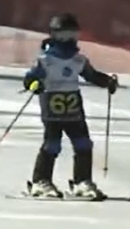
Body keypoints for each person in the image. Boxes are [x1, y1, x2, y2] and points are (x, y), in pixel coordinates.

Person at [22, 13, 119, 199]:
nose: (67, 41)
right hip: (52, 108)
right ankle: (40, 181)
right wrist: (36, 86)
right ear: (53, 36)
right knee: (52, 145)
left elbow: (91, 75)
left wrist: (107, 82)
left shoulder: (78, 60)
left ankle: (82, 181)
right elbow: (29, 79)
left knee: (83, 144)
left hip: (74, 109)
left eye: (71, 36)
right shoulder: (46, 60)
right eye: (62, 36)